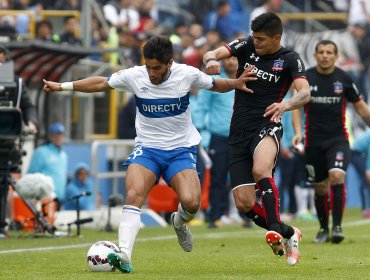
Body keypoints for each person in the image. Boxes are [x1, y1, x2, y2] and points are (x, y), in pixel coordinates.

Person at [42, 35, 256, 273]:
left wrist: (235, 83)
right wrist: (62, 86)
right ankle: (124, 254)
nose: (152, 73)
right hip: (148, 149)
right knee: (133, 193)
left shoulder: (186, 74)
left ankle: (178, 221)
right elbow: (101, 83)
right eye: (148, 67)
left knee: (192, 203)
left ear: (169, 64)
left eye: (157, 68)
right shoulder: (135, 75)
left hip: (180, 149)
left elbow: (216, 85)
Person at [203, 12, 310, 266]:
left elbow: (304, 93)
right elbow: (212, 54)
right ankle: (288, 232)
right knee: (244, 203)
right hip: (238, 131)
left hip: (268, 123)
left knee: (261, 168)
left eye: (261, 38)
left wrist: (285, 106)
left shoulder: (290, 59)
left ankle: (273, 227)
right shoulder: (246, 45)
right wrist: (210, 62)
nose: (256, 42)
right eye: (254, 37)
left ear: (277, 38)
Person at [292, 40, 370, 244]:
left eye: (329, 52)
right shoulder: (306, 78)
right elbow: (296, 108)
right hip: (313, 141)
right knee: (320, 188)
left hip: (338, 140)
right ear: (315, 55)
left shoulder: (344, 78)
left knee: (336, 176)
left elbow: (360, 107)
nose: (325, 56)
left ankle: (337, 227)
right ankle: (323, 229)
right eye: (321, 52)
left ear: (336, 56)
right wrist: (298, 133)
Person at [194, 56, 238, 228]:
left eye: (234, 58)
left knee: (243, 177)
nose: (231, 62)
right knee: (218, 177)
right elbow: (201, 107)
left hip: (241, 136)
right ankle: (215, 216)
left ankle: (245, 215)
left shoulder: (248, 79)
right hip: (219, 137)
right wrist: (200, 132)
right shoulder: (214, 82)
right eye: (227, 59)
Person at [0, 45, 38, 238]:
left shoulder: (17, 84)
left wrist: (31, 123)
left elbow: (28, 106)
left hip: (8, 140)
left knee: (3, 182)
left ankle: (1, 225)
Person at [28, 123, 68, 207]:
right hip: (45, 198)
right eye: (56, 135)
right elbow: (31, 174)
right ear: (50, 136)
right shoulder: (41, 152)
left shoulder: (63, 155)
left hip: (59, 198)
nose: (59, 138)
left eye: (61, 135)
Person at [351, 130, 370, 218]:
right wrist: (368, 170)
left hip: (362, 153)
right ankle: (366, 209)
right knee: (366, 179)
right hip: (356, 153)